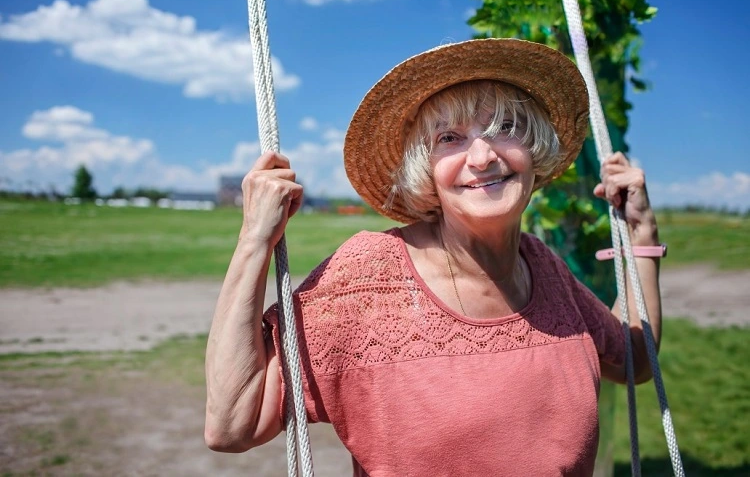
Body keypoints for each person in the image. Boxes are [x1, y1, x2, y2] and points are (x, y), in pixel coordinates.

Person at [204, 38, 662, 476]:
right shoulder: (369, 278)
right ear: (425, 169)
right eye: (450, 137)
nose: (482, 156)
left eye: (505, 128)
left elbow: (634, 357)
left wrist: (642, 234)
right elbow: (232, 423)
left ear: (533, 148)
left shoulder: (544, 267)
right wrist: (253, 241)